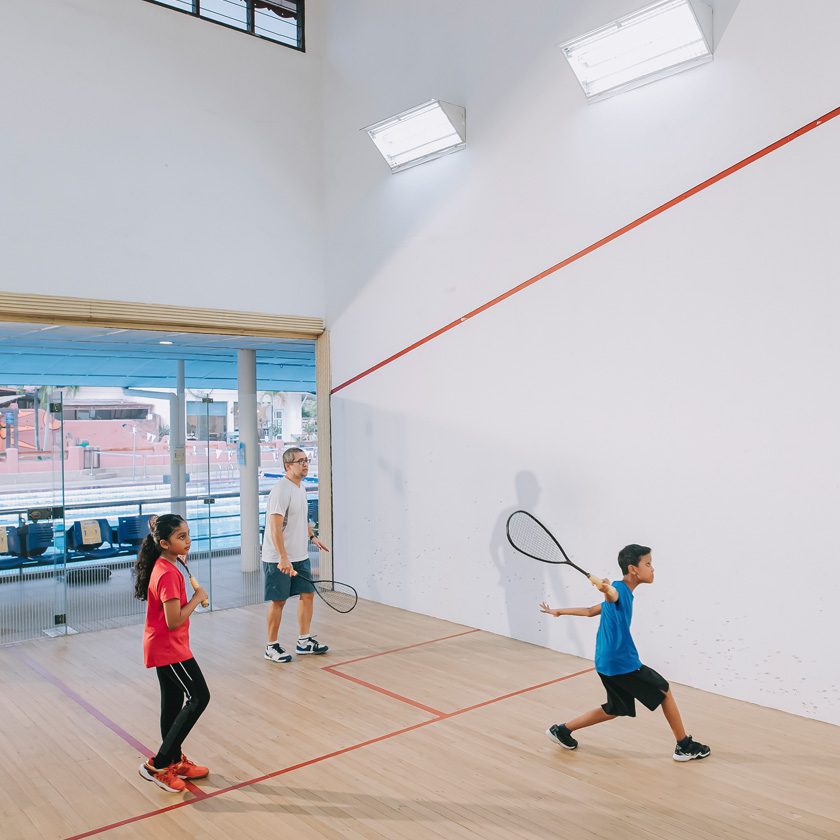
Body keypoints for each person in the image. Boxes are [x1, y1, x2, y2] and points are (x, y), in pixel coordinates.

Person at [539, 544, 710, 762]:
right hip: (622, 663)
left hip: (605, 662)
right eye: (648, 564)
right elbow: (612, 595)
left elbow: (591, 611)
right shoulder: (619, 590)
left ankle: (561, 730)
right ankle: (684, 745)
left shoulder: (624, 591)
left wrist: (559, 611)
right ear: (633, 569)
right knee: (664, 690)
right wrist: (605, 588)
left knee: (615, 708)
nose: (652, 568)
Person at [134, 514, 211, 793]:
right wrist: (197, 597)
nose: (188, 541)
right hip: (169, 649)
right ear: (165, 543)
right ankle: (158, 765)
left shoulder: (169, 564)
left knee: (173, 701)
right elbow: (173, 620)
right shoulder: (166, 574)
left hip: (168, 646)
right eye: (181, 537)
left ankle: (175, 759)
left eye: (188, 534)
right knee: (200, 697)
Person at [262, 446, 330, 662]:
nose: (305, 464)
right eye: (300, 461)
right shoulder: (281, 490)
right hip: (278, 558)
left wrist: (312, 537)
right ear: (287, 466)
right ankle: (271, 647)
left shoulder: (300, 488)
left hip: (300, 556)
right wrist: (283, 557)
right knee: (278, 601)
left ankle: (304, 641)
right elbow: (274, 527)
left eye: (306, 460)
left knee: (307, 596)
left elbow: (300, 519)